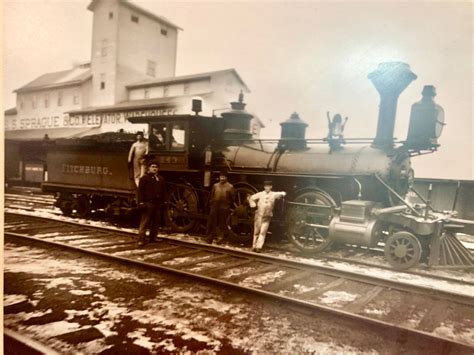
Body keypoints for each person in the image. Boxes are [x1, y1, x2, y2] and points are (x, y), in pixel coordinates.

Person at [249, 181, 286, 252]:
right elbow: (251, 198)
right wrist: (252, 204)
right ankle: (254, 246)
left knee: (263, 232)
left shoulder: (273, 194)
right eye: (266, 186)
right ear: (264, 187)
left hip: (267, 216)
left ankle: (258, 247)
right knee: (256, 232)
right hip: (259, 216)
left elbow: (281, 194)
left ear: (271, 187)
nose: (267, 188)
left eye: (268, 186)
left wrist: (283, 193)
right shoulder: (260, 194)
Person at [137, 161, 166, 246]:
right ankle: (141, 239)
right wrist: (141, 202)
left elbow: (164, 191)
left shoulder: (160, 179)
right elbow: (140, 192)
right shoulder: (144, 178)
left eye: (156, 167)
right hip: (148, 203)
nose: (154, 168)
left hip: (157, 204)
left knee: (156, 222)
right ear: (148, 168)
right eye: (153, 167)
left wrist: (164, 202)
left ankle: (153, 237)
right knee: (145, 222)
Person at [206, 170, 235, 244]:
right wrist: (212, 204)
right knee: (212, 222)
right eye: (221, 177)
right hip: (215, 207)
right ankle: (210, 237)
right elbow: (211, 196)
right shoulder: (215, 185)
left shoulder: (230, 187)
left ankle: (220, 238)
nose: (222, 178)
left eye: (223, 177)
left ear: (226, 178)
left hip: (224, 207)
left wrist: (227, 204)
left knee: (222, 223)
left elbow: (232, 198)